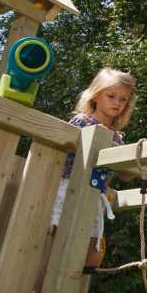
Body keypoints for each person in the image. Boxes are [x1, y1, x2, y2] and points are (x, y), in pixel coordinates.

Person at [48, 68, 135, 272]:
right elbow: (65, 149)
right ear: (96, 95)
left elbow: (126, 175)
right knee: (56, 244)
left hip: (94, 194)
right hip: (69, 185)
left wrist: (146, 156)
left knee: (92, 256)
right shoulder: (82, 121)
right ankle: (39, 292)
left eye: (123, 100)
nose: (117, 103)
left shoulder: (117, 137)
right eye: (111, 96)